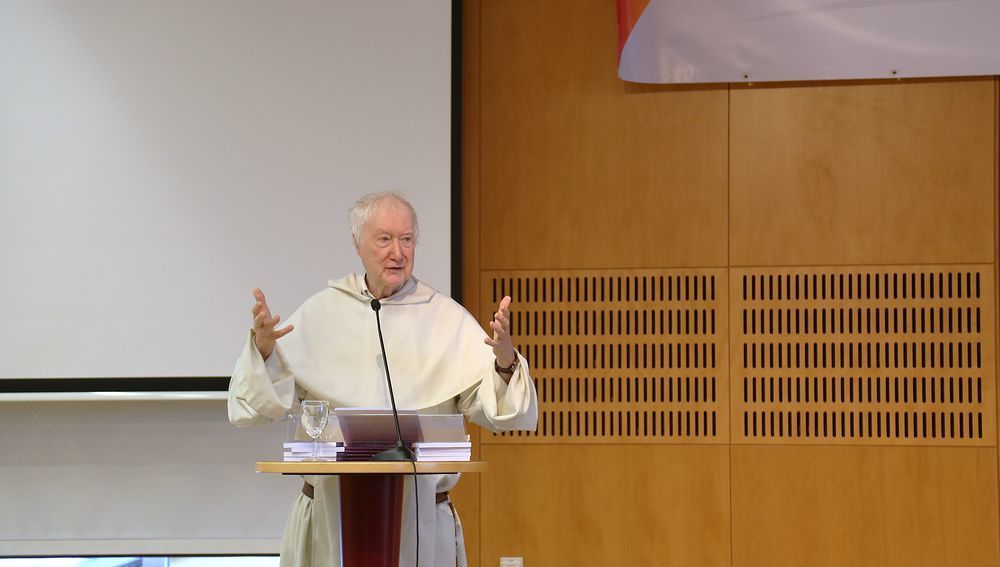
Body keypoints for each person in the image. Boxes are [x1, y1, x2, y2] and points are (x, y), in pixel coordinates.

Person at [228, 192, 538, 567]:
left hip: (419, 522)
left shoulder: (445, 318)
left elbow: (503, 412)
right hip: (331, 519)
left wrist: (505, 362)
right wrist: (263, 352)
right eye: (384, 239)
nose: (398, 252)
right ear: (359, 245)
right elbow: (256, 408)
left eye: (407, 240)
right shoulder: (322, 313)